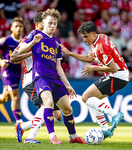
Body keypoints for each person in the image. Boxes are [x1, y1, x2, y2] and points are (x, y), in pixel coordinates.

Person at [17, 8, 86, 145]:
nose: (52, 26)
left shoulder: (56, 43)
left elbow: (59, 67)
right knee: (47, 103)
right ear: (43, 23)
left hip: (55, 78)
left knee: (67, 109)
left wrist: (67, 84)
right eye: (49, 23)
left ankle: (73, 136)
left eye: (54, 23)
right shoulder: (35, 34)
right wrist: (32, 43)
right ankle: (52, 136)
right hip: (41, 77)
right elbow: (19, 51)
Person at [60, 21, 129, 139]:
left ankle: (114, 114)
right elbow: (89, 57)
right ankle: (105, 130)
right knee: (92, 100)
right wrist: (70, 53)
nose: (85, 39)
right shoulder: (101, 38)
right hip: (119, 75)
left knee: (86, 97)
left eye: (86, 36)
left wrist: (94, 67)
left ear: (93, 33)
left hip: (118, 76)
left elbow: (113, 68)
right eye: (83, 37)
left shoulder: (101, 47)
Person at [10, 11, 62, 144]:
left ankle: (23, 127)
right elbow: (14, 56)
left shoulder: (49, 40)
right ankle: (31, 136)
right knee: (47, 104)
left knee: (57, 116)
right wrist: (32, 50)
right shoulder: (31, 38)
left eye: (52, 23)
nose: (49, 27)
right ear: (40, 24)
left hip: (46, 77)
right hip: (31, 79)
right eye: (46, 23)